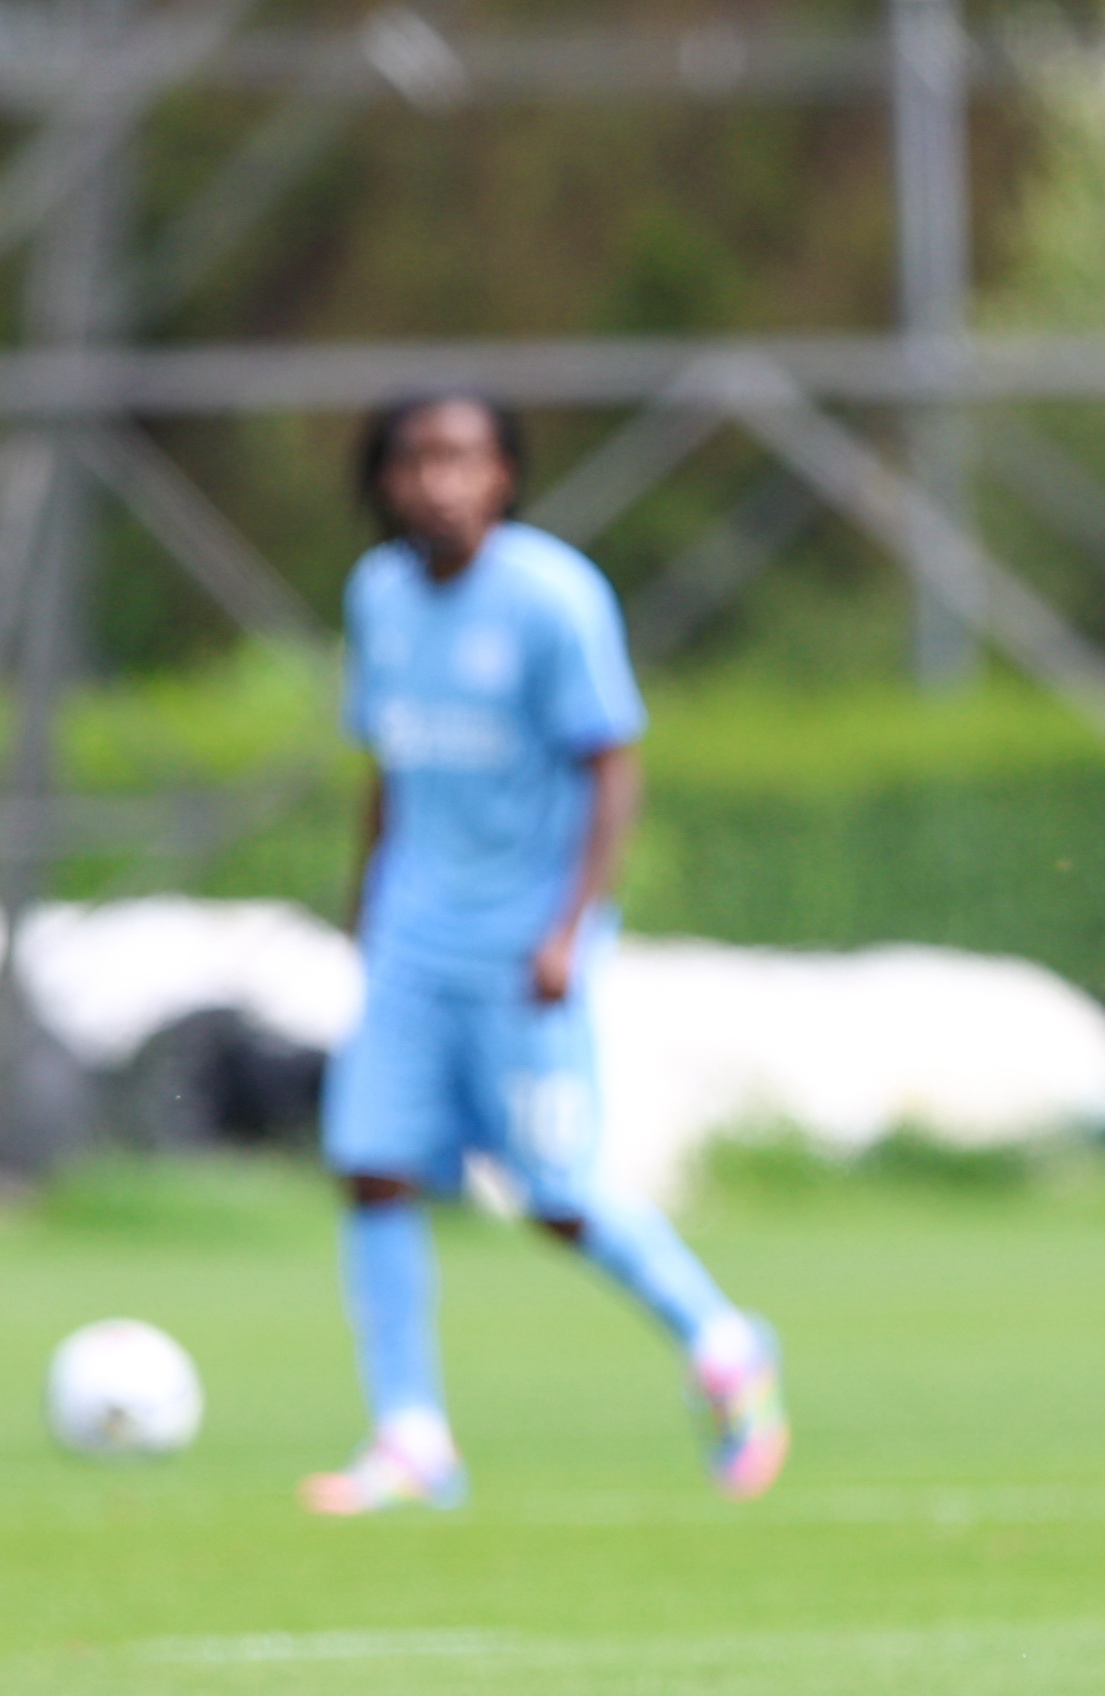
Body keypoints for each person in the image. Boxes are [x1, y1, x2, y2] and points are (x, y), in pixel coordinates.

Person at [302, 391, 787, 1515]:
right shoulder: (377, 596)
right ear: (382, 479)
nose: (438, 480)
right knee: (371, 1163)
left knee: (553, 1193)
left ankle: (721, 1342)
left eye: (462, 457)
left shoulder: (554, 597)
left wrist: (570, 926)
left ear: (504, 475)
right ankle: (411, 1435)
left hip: (524, 948)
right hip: (412, 941)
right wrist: (363, 907)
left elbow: (611, 765)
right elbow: (387, 763)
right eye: (415, 458)